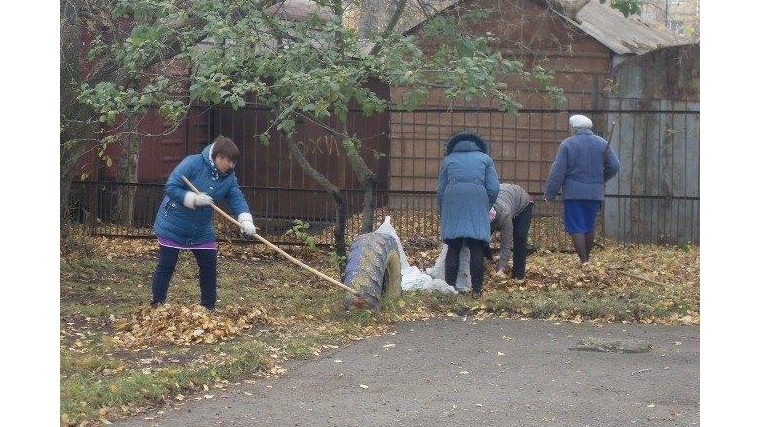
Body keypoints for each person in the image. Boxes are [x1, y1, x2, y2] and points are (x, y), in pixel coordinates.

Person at [150, 135, 258, 311]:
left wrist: (245, 219)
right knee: (167, 265)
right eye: (228, 161)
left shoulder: (228, 176)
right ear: (218, 157)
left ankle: (208, 307)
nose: (231, 166)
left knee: (208, 265)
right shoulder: (193, 163)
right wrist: (193, 199)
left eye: (233, 162)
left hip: (201, 228)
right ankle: (157, 305)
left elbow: (236, 198)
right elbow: (171, 187)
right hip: (174, 223)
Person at [544, 114, 620, 264]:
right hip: (595, 193)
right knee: (589, 225)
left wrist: (550, 193)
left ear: (574, 128)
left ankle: (583, 261)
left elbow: (558, 170)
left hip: (574, 193)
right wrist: (601, 179)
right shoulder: (602, 143)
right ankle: (587, 260)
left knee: (576, 226)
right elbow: (615, 165)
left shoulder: (568, 144)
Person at [437, 130, 500, 298]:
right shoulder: (486, 160)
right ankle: (477, 290)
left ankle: (450, 289)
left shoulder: (448, 160)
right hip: (477, 200)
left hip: (453, 200)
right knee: (476, 246)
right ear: (478, 145)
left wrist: (443, 210)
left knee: (453, 246)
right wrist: (486, 204)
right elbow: (494, 188)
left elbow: (441, 190)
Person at [489, 183, 534, 279]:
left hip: (523, 203)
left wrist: (501, 269)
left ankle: (518, 276)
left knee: (520, 237)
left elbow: (506, 244)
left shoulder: (505, 216)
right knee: (480, 240)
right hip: (506, 197)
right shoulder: (483, 211)